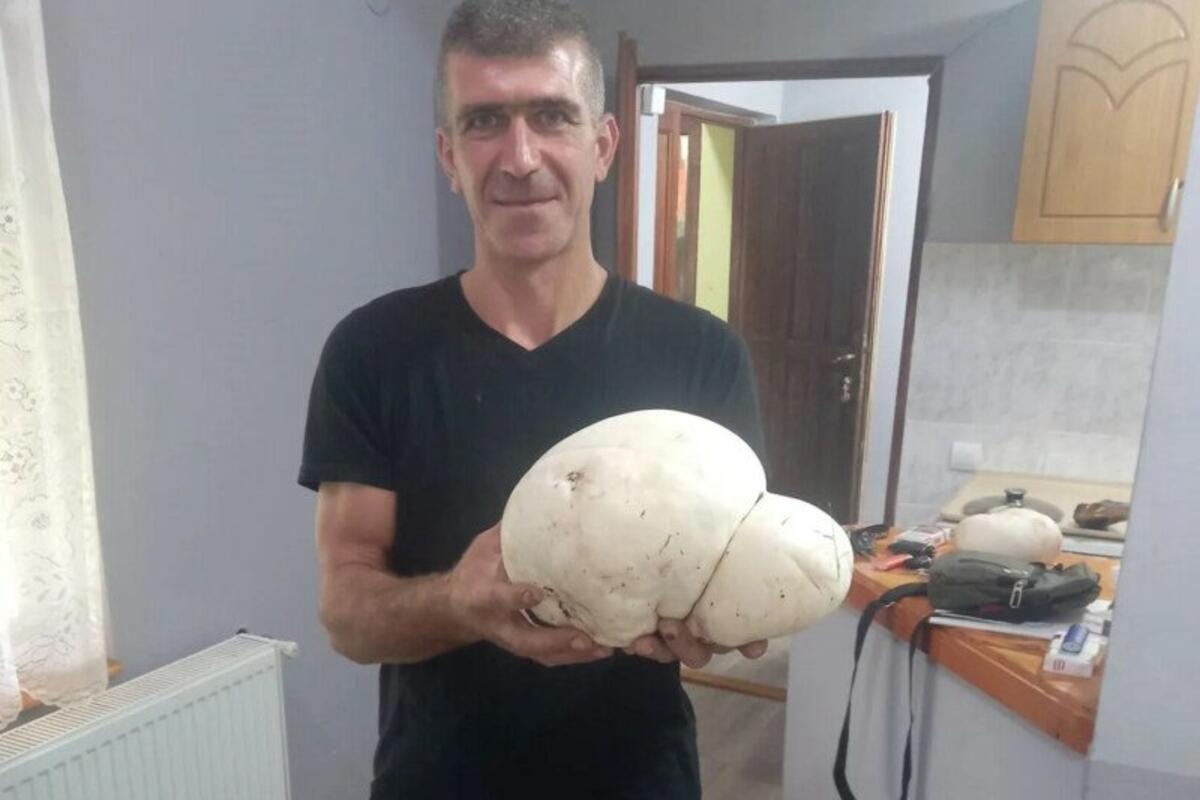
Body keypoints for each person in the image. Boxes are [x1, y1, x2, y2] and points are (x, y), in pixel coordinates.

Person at [299, 1, 768, 796]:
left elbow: (728, 571)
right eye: (485, 121)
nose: (520, 158)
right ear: (449, 156)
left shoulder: (700, 355)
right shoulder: (373, 352)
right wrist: (459, 603)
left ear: (603, 145)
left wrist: (719, 621)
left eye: (552, 115)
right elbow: (346, 612)